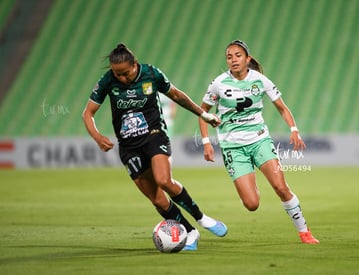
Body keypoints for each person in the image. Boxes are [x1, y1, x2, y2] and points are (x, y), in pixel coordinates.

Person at [82, 43, 227, 251]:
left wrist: (204, 115)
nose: (121, 78)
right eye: (117, 74)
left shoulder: (151, 74)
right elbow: (88, 113)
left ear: (135, 64)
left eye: (124, 73)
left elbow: (177, 95)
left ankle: (202, 219)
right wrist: (96, 136)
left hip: (153, 135)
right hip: (128, 146)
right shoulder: (107, 81)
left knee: (163, 180)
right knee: (157, 199)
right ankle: (189, 231)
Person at [198, 40, 319, 244]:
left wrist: (294, 129)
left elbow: (282, 107)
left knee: (280, 187)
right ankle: (249, 184)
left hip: (259, 140)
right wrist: (206, 143)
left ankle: (304, 232)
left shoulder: (260, 80)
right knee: (251, 204)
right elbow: (202, 113)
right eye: (229, 57)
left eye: (238, 55)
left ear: (248, 58)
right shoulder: (218, 83)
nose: (234, 60)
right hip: (233, 147)